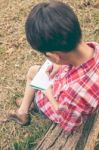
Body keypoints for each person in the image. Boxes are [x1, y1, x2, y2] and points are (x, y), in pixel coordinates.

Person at [8, 1, 99, 133]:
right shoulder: (94, 47)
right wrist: (58, 64)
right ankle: (27, 103)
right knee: (35, 71)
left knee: (33, 74)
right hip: (72, 88)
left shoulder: (73, 94)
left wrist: (49, 94)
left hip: (54, 104)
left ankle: (25, 109)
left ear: (54, 56)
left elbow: (68, 124)